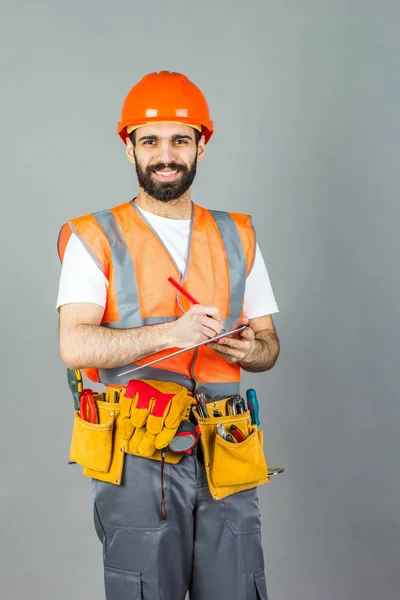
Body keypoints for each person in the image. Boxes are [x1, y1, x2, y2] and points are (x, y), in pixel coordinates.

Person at [56, 70, 280, 600]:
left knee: (238, 591)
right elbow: (76, 345)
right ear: (127, 146)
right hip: (139, 453)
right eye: (150, 140)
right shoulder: (94, 237)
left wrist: (252, 349)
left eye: (180, 139)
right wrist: (170, 333)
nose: (165, 154)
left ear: (202, 144)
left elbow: (270, 346)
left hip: (226, 448)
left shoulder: (236, 235)